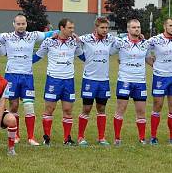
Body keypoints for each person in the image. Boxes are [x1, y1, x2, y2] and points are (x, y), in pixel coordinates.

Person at [0, 14, 54, 146]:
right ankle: (16, 136)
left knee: (29, 106)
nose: (21, 26)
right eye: (18, 24)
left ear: (26, 24)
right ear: (13, 24)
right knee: (14, 106)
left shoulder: (32, 35)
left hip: (27, 76)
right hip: (11, 75)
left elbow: (48, 34)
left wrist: (60, 32)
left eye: (23, 24)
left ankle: (31, 137)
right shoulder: (7, 36)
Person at [33, 18, 82, 145]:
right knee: (49, 109)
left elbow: (83, 56)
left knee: (68, 110)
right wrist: (22, 61)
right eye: (70, 28)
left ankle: (67, 139)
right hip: (53, 80)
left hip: (69, 81)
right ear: (62, 28)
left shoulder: (74, 42)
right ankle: (46, 137)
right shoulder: (49, 42)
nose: (72, 30)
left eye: (73, 28)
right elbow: (37, 56)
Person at [76, 17, 118, 146]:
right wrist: (85, 58)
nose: (105, 30)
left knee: (101, 108)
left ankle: (101, 138)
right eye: (102, 28)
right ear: (96, 27)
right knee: (87, 108)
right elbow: (74, 41)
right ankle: (80, 137)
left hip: (103, 80)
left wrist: (140, 37)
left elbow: (126, 41)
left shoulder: (111, 39)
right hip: (89, 79)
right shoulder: (86, 38)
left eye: (107, 28)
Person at [146, 18, 172, 144]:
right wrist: (151, 63)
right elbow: (143, 48)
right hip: (160, 77)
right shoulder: (155, 40)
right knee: (158, 105)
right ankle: (153, 137)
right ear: (164, 26)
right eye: (170, 25)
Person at [112, 19, 150, 145]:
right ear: (128, 29)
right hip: (124, 80)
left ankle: (142, 138)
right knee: (121, 108)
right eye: (134, 27)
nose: (137, 29)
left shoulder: (145, 44)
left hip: (140, 82)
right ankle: (117, 138)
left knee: (141, 111)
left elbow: (149, 59)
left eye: (138, 27)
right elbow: (109, 49)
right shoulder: (121, 42)